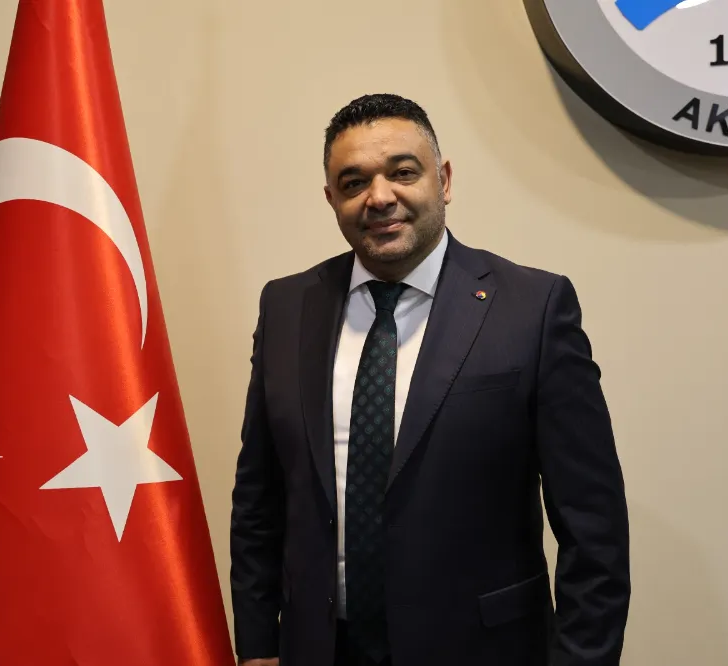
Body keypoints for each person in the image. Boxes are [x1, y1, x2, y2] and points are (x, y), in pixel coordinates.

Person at [229, 93, 630, 666]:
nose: (379, 197)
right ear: (331, 199)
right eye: (353, 182)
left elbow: (594, 526)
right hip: (320, 648)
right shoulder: (288, 306)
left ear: (443, 180)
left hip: (483, 650)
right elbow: (259, 501)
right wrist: (258, 646)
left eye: (403, 172)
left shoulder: (533, 307)